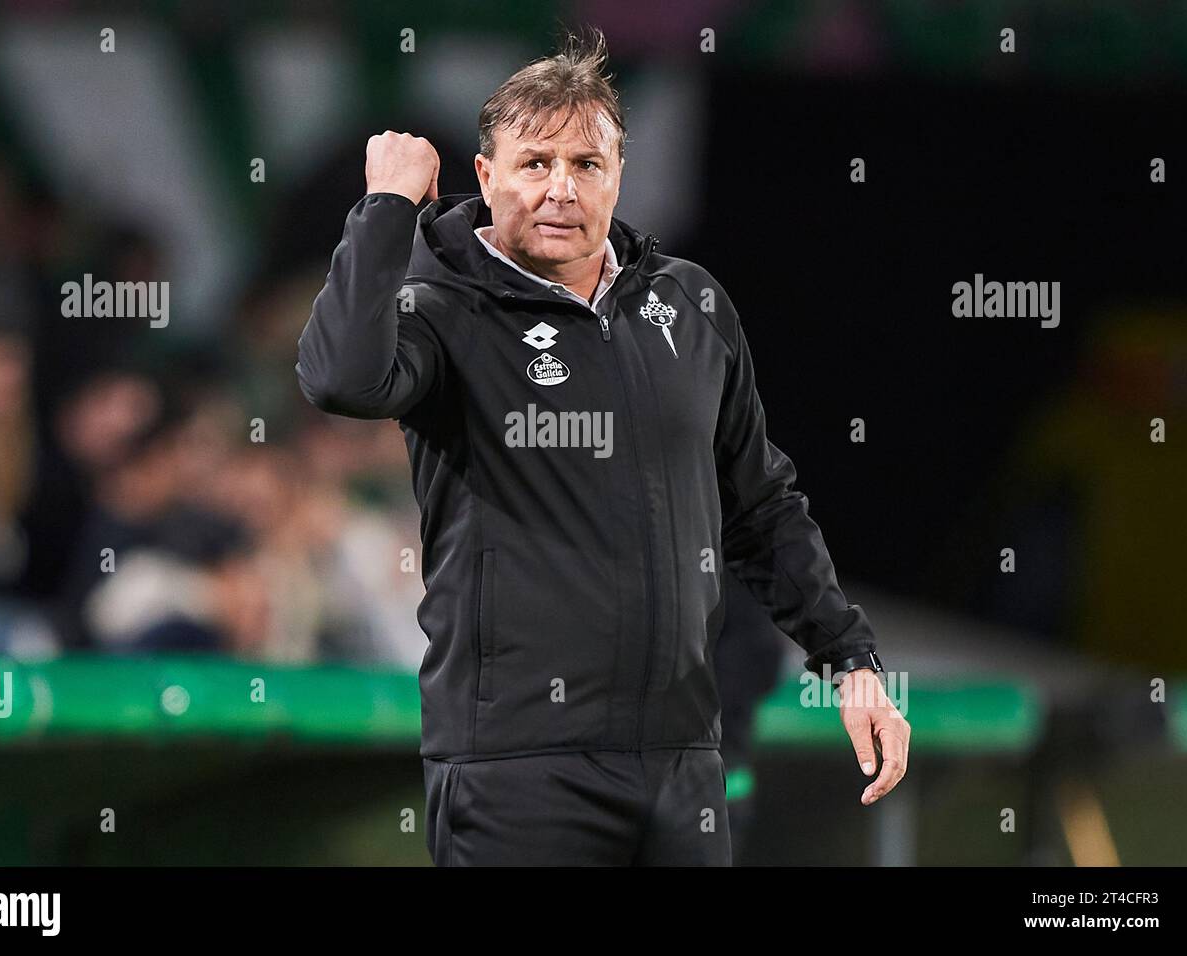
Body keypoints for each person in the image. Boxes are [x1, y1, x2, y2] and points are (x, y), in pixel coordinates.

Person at [295, 27, 910, 866]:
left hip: (684, 764)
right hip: (517, 768)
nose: (560, 189)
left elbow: (762, 506)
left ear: (618, 175)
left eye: (586, 165)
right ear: (486, 176)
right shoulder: (446, 310)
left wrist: (851, 659)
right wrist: (385, 209)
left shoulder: (689, 305)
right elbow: (340, 379)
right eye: (535, 163)